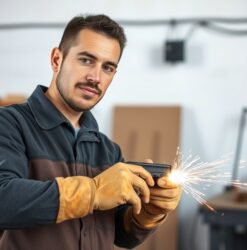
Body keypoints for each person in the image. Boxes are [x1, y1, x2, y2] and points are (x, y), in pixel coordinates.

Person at [0, 14, 182, 250]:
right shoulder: (10, 124)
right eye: (86, 60)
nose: (95, 77)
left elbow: (119, 233)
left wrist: (147, 214)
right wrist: (93, 192)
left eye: (107, 67)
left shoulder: (108, 150)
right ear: (57, 59)